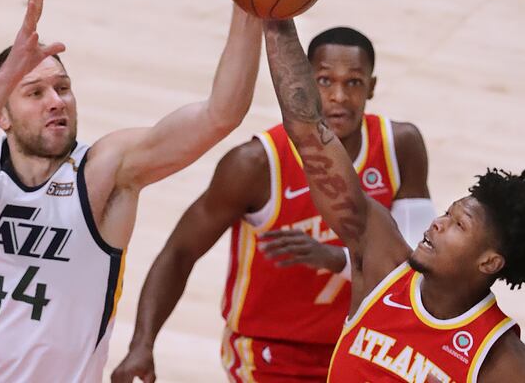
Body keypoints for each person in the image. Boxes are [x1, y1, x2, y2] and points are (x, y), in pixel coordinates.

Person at [0, 0, 262, 383]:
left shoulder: (103, 173)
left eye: (63, 88)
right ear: (2, 115)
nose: (56, 101)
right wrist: (5, 78)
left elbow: (221, 115)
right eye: (35, 92)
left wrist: (249, 5)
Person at [113, 28, 436, 382]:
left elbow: (417, 267)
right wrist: (141, 344)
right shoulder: (255, 163)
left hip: (364, 343)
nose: (339, 96)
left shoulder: (399, 146)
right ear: (304, 82)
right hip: (270, 352)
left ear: (371, 88)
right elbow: (180, 251)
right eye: (325, 80)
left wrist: (335, 258)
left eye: (354, 83)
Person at [261, 18, 525, 382]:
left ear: (489, 261)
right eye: (447, 214)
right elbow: (310, 133)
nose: (437, 223)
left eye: (459, 225)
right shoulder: (381, 267)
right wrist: (277, 23)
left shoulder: (506, 365)